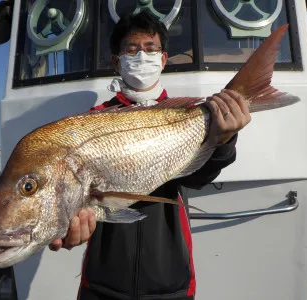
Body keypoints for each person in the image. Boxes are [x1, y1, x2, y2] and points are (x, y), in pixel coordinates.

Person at [49, 11, 251, 300]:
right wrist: (64, 223)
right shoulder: (94, 121)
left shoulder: (180, 114)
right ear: (117, 61)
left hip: (170, 283)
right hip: (102, 284)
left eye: (150, 48)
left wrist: (225, 140)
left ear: (163, 59)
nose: (142, 56)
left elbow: (197, 178)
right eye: (131, 50)